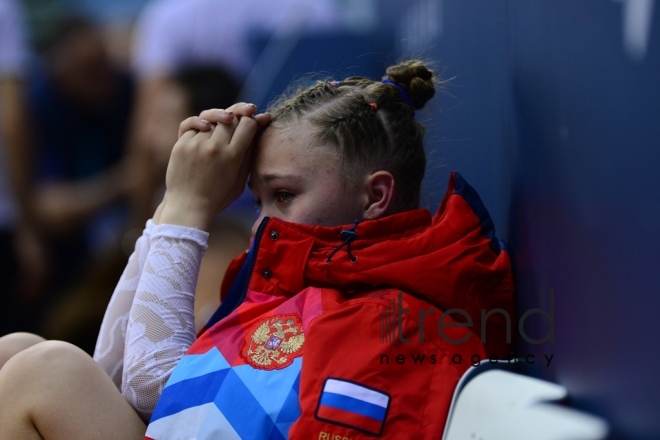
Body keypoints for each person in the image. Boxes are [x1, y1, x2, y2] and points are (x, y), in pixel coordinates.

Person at [0, 60, 514, 439]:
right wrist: (172, 214)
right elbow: (118, 370)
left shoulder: (386, 317)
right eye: (259, 200)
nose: (263, 223)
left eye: (285, 195)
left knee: (46, 372)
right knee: (19, 349)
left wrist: (186, 208)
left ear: (375, 196)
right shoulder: (300, 285)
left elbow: (154, 391)